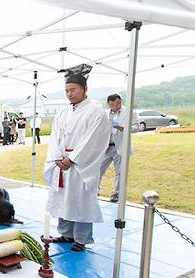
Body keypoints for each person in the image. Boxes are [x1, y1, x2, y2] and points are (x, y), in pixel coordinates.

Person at [44, 63, 110, 251]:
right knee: (63, 198)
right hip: (62, 162)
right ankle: (66, 233)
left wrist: (72, 158)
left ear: (85, 89)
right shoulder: (63, 112)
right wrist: (57, 156)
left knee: (81, 199)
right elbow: (55, 136)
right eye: (66, 90)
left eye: (73, 89)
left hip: (81, 164)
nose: (69, 94)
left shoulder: (95, 111)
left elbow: (94, 139)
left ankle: (81, 238)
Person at [100, 94, 136, 203]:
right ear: (108, 104)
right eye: (112, 105)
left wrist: (122, 128)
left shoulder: (129, 112)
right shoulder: (105, 113)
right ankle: (94, 190)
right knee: (98, 169)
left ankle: (116, 194)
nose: (115, 106)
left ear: (120, 101)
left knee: (120, 172)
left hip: (120, 147)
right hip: (106, 147)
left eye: (117, 104)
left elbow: (137, 127)